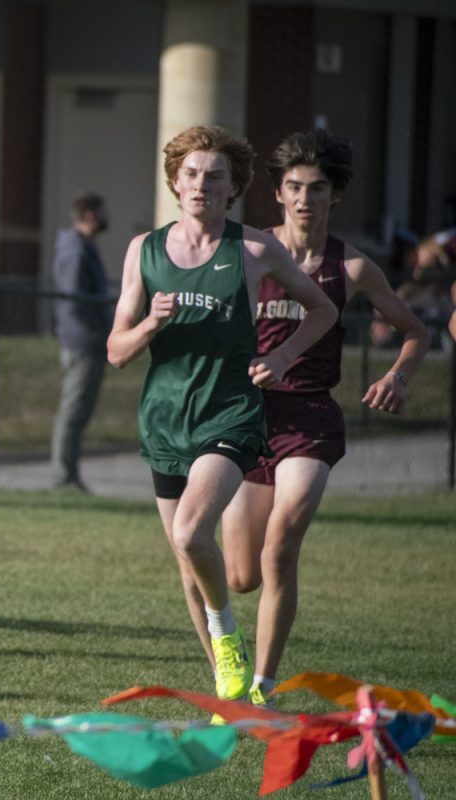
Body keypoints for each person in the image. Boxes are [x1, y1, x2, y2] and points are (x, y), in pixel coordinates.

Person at [106, 125, 337, 710]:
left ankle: (228, 638)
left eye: (215, 176)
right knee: (189, 563)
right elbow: (116, 351)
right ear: (174, 182)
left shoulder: (256, 249)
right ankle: (228, 687)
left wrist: (282, 355)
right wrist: (151, 324)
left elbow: (323, 308)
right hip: (163, 421)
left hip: (229, 416)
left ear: (233, 187)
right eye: (191, 174)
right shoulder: (144, 250)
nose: (201, 185)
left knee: (191, 533)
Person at [219, 130, 429, 706]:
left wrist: (397, 376)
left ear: (334, 195)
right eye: (293, 187)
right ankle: (241, 657)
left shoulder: (353, 267)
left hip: (309, 417)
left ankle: (261, 687)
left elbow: (415, 331)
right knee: (241, 575)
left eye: (316, 188)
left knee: (281, 544)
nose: (304, 198)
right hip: (245, 418)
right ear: (278, 194)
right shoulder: (248, 250)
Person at [49, 193, 112, 492]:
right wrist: (97, 332)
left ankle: (69, 475)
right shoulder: (75, 250)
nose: (106, 216)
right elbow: (73, 299)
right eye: (102, 211)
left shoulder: (85, 247)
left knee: (78, 411)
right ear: (89, 215)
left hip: (89, 341)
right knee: (72, 412)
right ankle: (64, 478)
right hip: (82, 342)